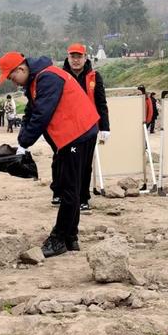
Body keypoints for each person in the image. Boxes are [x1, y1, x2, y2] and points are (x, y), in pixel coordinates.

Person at [0, 51, 99, 258]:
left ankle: (60, 237)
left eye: (12, 76)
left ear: (21, 69)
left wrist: (25, 143)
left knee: (69, 187)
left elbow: (42, 114)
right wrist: (21, 144)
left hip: (78, 133)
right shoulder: (35, 81)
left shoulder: (48, 78)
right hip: (72, 135)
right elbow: (31, 113)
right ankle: (71, 237)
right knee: (67, 184)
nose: (13, 82)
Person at [58, 43, 110, 211]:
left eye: (79, 56)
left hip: (88, 128)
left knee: (85, 164)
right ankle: (64, 195)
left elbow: (101, 103)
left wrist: (105, 127)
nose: (75, 60)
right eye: (72, 56)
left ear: (85, 58)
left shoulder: (95, 77)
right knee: (66, 162)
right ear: (68, 57)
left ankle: (83, 198)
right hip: (67, 127)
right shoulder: (61, 76)